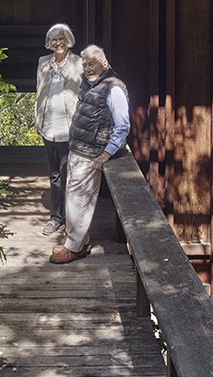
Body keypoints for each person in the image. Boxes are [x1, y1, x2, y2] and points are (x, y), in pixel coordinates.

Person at [50, 44, 129, 264]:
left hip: (92, 153)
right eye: (84, 64)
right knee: (74, 197)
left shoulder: (113, 87)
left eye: (92, 63)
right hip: (79, 148)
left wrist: (107, 153)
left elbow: (123, 125)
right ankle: (80, 241)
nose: (87, 68)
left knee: (78, 200)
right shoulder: (89, 83)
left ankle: (73, 247)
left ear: (104, 64)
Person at [34, 23, 82, 236]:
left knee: (69, 173)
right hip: (49, 126)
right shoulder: (44, 63)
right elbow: (38, 92)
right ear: (49, 43)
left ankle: (73, 219)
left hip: (69, 127)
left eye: (61, 39)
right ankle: (57, 217)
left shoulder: (78, 63)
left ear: (68, 40)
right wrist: (38, 120)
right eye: (54, 39)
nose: (58, 43)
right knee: (54, 174)